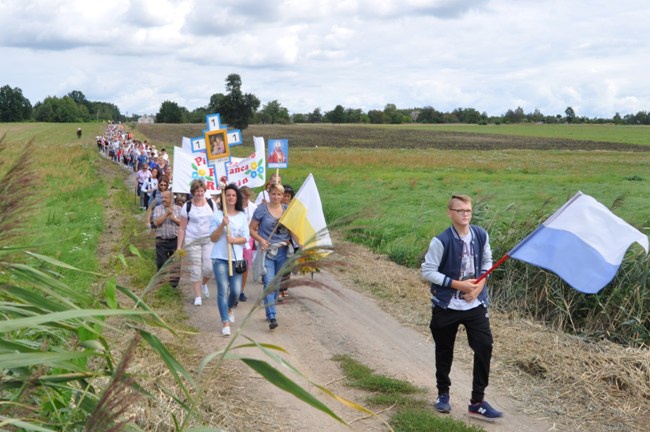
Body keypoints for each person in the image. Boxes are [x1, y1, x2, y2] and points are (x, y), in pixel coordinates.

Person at [421, 194, 503, 420]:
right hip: (447, 305)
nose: (465, 214)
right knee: (444, 351)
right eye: (460, 210)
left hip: (474, 304)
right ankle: (443, 395)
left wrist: (478, 287)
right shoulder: (441, 241)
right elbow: (427, 271)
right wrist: (458, 285)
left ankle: (477, 401)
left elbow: (487, 262)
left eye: (468, 210)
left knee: (485, 346)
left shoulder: (480, 235)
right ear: (450, 213)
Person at [250, 183, 297, 330]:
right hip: (268, 251)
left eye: (279, 194)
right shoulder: (261, 210)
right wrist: (261, 240)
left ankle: (270, 305)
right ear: (269, 194)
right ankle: (272, 316)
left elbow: (293, 230)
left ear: (283, 196)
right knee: (269, 282)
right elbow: (251, 229)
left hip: (283, 251)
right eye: (273, 194)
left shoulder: (287, 211)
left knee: (277, 284)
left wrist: (300, 244)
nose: (276, 197)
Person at [209, 184, 250, 337]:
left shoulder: (241, 216)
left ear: (237, 198)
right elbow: (212, 238)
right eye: (228, 195)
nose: (231, 197)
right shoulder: (217, 215)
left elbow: (246, 238)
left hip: (236, 259)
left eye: (233, 195)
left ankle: (229, 307)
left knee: (235, 290)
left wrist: (233, 240)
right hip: (219, 257)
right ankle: (225, 322)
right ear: (224, 198)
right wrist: (222, 225)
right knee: (222, 289)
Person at [177, 179, 215, 306]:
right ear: (193, 192)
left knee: (209, 268)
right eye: (197, 191)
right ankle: (198, 296)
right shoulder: (187, 206)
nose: (199, 193)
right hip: (192, 240)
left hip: (208, 239)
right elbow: (182, 228)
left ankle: (203, 283)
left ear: (204, 191)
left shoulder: (211, 203)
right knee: (195, 268)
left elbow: (216, 221)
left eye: (201, 191)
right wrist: (179, 246)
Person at [152, 190, 181, 288]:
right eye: (162, 197)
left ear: (171, 198)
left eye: (166, 198)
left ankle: (172, 287)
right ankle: (161, 284)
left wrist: (174, 219)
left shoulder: (179, 209)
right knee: (161, 263)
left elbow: (183, 224)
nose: (163, 200)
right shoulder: (157, 209)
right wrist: (166, 214)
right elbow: (156, 223)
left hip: (175, 240)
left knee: (175, 263)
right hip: (161, 240)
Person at [239, 186, 257, 302]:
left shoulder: (254, 208)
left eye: (245, 198)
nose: (243, 200)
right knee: (235, 263)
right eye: (242, 198)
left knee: (245, 265)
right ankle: (233, 287)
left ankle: (241, 290)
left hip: (248, 239)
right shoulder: (233, 207)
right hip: (235, 238)